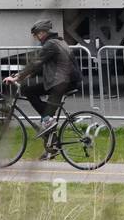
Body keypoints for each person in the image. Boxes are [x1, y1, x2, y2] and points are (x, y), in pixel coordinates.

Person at [5, 19, 82, 148]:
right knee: (36, 102)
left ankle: (48, 122)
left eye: (35, 35)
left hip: (62, 83)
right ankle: (52, 146)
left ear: (42, 33)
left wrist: (17, 77)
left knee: (32, 96)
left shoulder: (50, 44)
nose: (35, 38)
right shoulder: (58, 41)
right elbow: (40, 67)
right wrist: (21, 76)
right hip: (65, 81)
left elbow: (37, 62)